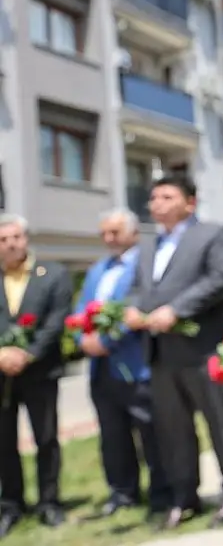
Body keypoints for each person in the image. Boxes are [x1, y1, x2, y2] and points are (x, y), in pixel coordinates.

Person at [124, 175, 223, 530]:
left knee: (220, 423)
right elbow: (137, 288)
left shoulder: (214, 234)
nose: (156, 203)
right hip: (161, 353)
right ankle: (184, 496)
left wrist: (177, 310)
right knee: (173, 429)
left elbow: (221, 278)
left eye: (166, 196)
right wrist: (132, 309)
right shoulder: (147, 247)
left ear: (189, 203)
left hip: (202, 347)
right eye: (153, 197)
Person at [75, 209, 171, 519]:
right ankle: (122, 492)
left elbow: (137, 307)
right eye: (104, 233)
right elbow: (81, 310)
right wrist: (83, 341)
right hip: (101, 370)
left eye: (115, 232)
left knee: (150, 431)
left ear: (132, 233)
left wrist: (106, 341)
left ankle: (162, 492)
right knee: (112, 433)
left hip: (135, 361)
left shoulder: (144, 266)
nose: (109, 238)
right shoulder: (97, 270)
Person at [0, 214, 71, 536]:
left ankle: (49, 503)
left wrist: (27, 354)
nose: (10, 244)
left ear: (26, 238)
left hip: (40, 371)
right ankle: (11, 504)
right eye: (2, 239)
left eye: (15, 237)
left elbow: (56, 321)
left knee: (46, 438)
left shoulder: (53, 274)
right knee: (4, 443)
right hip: (1, 375)